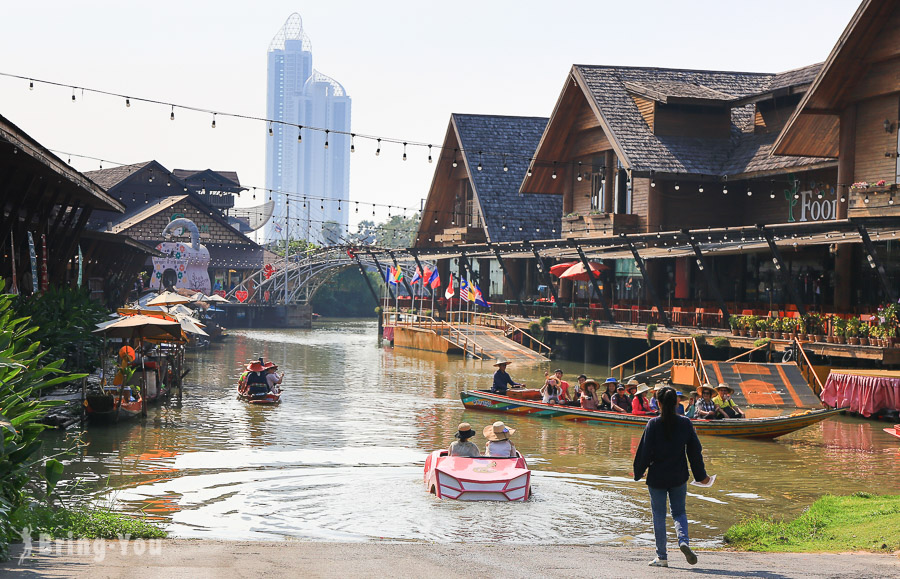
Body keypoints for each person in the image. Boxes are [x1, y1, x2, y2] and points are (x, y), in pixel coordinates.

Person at [634, 386, 710, 568]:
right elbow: (694, 451)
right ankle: (683, 541)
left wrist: (639, 471)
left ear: (658, 404)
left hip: (657, 477)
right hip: (678, 476)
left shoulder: (653, 424)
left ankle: (662, 557)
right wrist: (701, 476)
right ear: (677, 403)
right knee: (679, 512)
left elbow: (644, 451)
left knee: (659, 515)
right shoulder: (685, 423)